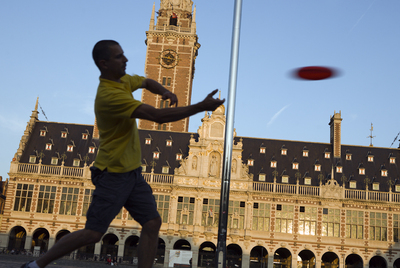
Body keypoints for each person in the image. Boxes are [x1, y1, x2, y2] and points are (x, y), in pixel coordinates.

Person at [21, 40, 224, 268]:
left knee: (152, 222)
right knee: (93, 233)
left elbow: (146, 81)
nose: (125, 59)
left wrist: (164, 90)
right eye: (119, 57)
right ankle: (35, 265)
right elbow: (157, 116)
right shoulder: (110, 96)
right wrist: (200, 106)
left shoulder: (122, 81)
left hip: (132, 173)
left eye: (123, 55)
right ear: (104, 64)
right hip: (113, 173)